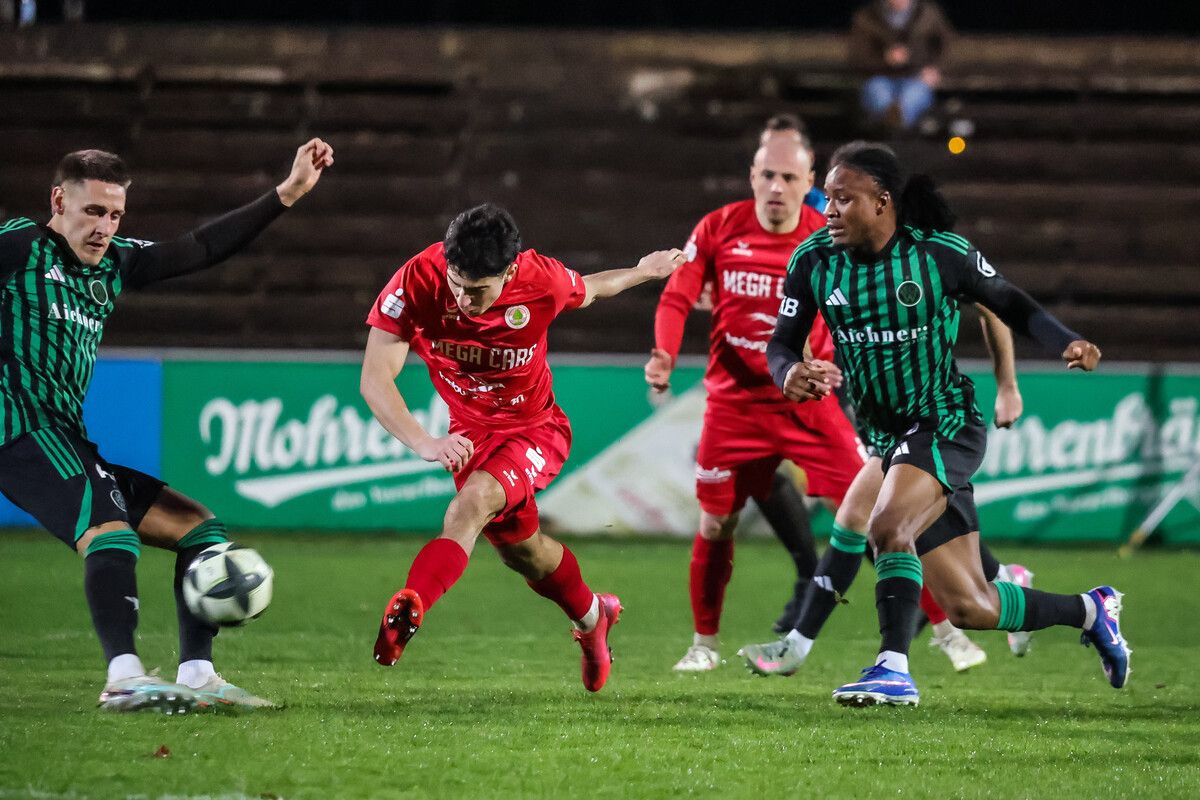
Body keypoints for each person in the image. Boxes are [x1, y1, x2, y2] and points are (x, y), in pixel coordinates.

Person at [764, 140, 1128, 706]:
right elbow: (782, 344)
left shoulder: (938, 253)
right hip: (890, 438)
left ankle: (890, 668)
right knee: (972, 606)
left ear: (882, 202)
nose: (828, 211)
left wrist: (1068, 340)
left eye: (843, 199)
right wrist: (787, 373)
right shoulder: (814, 261)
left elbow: (1009, 301)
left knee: (883, 525)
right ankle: (1090, 610)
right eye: (828, 200)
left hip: (945, 421)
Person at [0, 139, 334, 712]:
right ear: (58, 200)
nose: (104, 226)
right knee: (109, 531)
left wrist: (287, 193)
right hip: (18, 431)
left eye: (115, 214)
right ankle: (124, 676)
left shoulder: (114, 263)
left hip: (67, 436)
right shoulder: (18, 247)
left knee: (200, 531)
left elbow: (198, 248)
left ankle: (199, 674)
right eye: (93, 211)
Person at [363, 203, 683, 692]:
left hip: (534, 428)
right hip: (470, 435)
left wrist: (642, 272)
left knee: (468, 509)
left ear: (510, 271)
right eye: (457, 283)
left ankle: (412, 605)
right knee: (524, 554)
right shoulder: (416, 280)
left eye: (478, 290)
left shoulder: (543, 281)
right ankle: (594, 615)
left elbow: (594, 287)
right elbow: (375, 377)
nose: (464, 299)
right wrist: (423, 441)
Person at [646, 125, 867, 672]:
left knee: (876, 513)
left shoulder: (828, 235)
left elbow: (854, 310)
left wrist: (833, 364)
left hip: (807, 402)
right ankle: (704, 645)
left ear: (809, 182)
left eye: (788, 176)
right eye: (766, 174)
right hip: (734, 405)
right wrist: (664, 354)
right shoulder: (719, 228)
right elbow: (677, 294)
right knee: (715, 523)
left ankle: (928, 634)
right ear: (752, 176)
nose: (775, 186)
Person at [849, 0, 953, 131]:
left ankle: (898, 119)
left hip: (916, 76)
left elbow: (946, 47)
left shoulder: (928, 14)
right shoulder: (867, 17)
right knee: (878, 92)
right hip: (880, 76)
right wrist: (886, 58)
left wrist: (936, 69)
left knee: (913, 95)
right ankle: (891, 119)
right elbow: (857, 57)